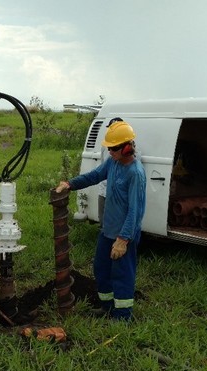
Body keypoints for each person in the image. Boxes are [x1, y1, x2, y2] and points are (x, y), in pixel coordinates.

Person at [55, 120, 146, 320]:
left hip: (123, 235)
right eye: (109, 148)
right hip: (108, 231)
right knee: (101, 269)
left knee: (122, 274)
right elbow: (94, 176)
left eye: (114, 148)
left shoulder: (135, 173)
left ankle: (122, 316)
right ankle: (107, 307)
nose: (110, 151)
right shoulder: (113, 163)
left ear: (127, 148)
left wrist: (123, 239)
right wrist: (70, 184)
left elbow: (135, 211)